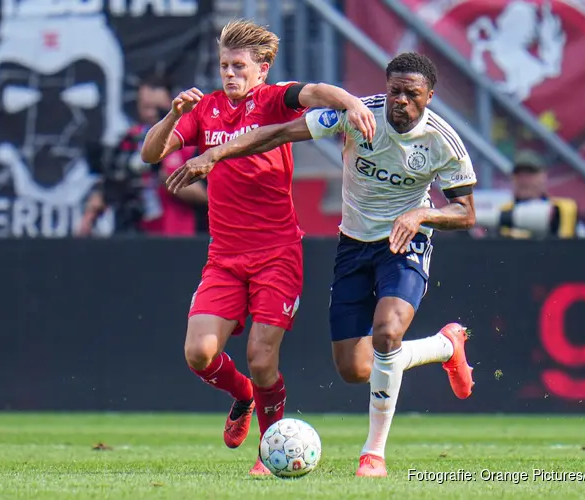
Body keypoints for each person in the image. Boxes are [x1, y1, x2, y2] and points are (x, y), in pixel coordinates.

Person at [168, 52, 477, 478]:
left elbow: (466, 212)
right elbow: (279, 133)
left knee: (387, 332)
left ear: (429, 96)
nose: (401, 101)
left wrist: (422, 214)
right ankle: (444, 346)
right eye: (395, 91)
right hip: (353, 244)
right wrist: (215, 154)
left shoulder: (443, 141)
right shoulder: (358, 116)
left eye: (412, 94)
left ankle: (373, 453)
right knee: (356, 368)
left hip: (405, 241)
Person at [140, 20, 376, 475]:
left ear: (262, 69)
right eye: (224, 66)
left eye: (239, 66)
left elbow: (316, 92)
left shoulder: (272, 99)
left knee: (262, 359)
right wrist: (172, 115)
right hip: (224, 257)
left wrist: (350, 103)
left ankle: (268, 454)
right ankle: (243, 394)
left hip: (277, 253)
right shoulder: (204, 109)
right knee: (199, 354)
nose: (230, 74)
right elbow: (151, 153)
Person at [78, 76, 207, 237]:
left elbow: (205, 195)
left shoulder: (189, 141)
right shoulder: (131, 139)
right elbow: (111, 180)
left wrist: (162, 173)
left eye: (157, 107)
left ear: (172, 104)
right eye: (146, 107)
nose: (151, 113)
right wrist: (91, 213)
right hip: (133, 232)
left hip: (177, 235)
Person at [497, 149, 585, 239]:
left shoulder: (563, 209)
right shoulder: (501, 212)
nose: (524, 180)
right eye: (518, 174)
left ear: (543, 176)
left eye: (530, 173)